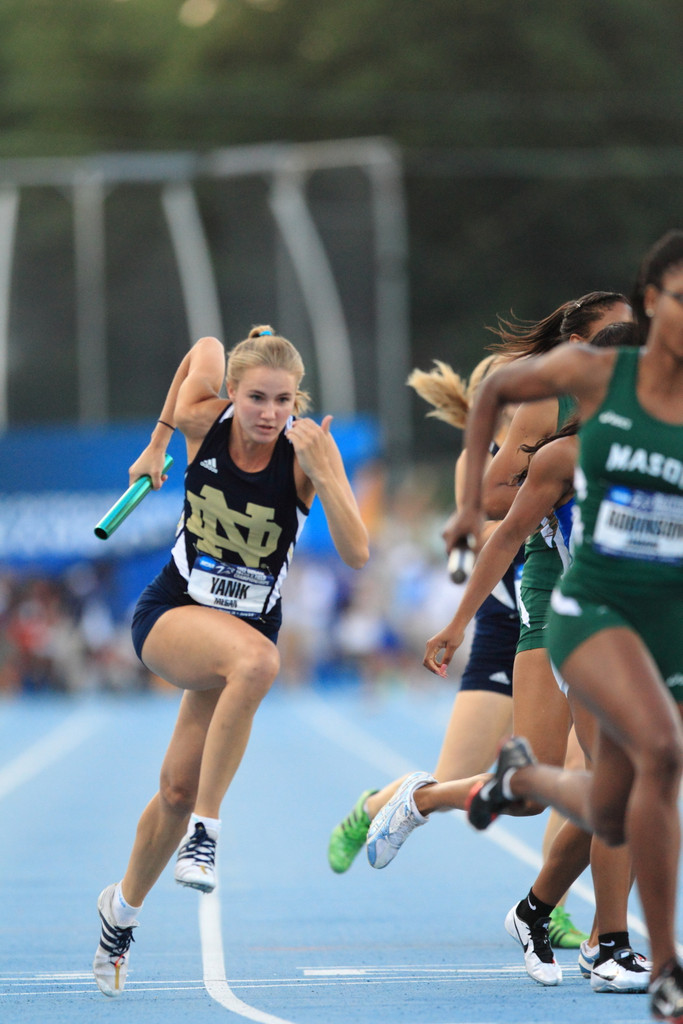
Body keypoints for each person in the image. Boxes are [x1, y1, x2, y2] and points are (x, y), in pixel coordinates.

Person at [425, 229, 683, 1023]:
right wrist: (468, 512)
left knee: (612, 804)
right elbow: (497, 405)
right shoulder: (576, 412)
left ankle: (523, 786)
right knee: (656, 756)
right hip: (584, 606)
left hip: (658, 614)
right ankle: (640, 956)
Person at [92, 327, 369, 998]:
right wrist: (157, 445)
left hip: (237, 635)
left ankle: (118, 914)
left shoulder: (304, 456)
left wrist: (329, 473)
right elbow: (206, 345)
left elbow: (358, 553)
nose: (268, 414)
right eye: (255, 399)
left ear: (295, 400)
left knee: (175, 791)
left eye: (281, 401)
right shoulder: (203, 422)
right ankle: (206, 836)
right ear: (232, 396)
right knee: (260, 663)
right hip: (173, 616)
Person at [327, 353, 522, 876]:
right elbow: (477, 537)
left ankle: (554, 909)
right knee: (452, 779)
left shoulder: (559, 447)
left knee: (579, 777)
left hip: (560, 635)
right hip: (504, 638)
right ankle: (371, 809)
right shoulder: (475, 463)